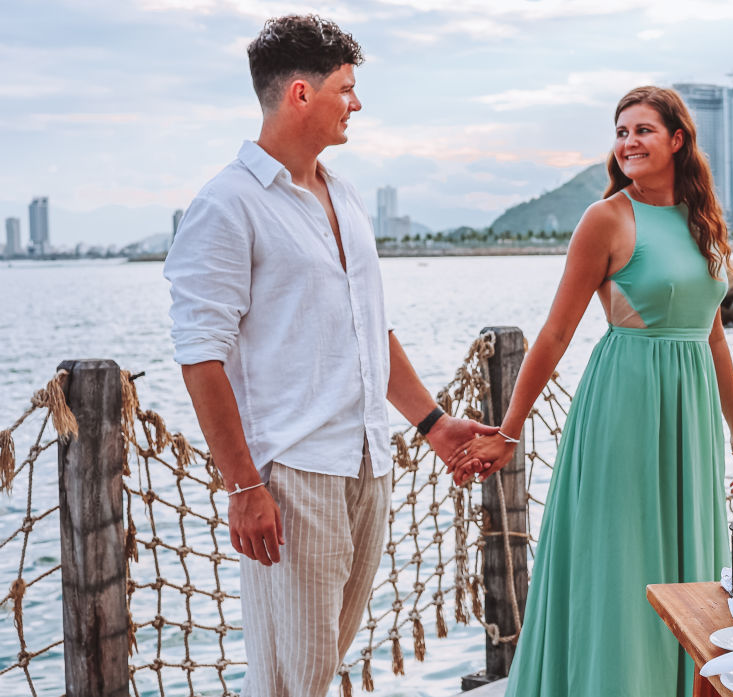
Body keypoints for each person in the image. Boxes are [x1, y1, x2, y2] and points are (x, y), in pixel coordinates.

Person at [164, 15, 496, 697]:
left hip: (366, 461)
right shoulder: (226, 206)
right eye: (346, 88)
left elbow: (370, 327)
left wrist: (433, 424)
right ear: (299, 94)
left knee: (315, 668)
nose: (358, 103)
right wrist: (243, 485)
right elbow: (201, 356)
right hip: (291, 471)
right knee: (290, 677)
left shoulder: (344, 196)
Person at [446, 86, 733, 696]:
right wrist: (509, 430)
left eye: (643, 129)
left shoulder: (706, 223)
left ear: (677, 140)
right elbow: (556, 333)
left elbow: (714, 338)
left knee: (689, 561)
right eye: (621, 131)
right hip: (626, 405)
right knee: (624, 556)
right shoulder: (608, 218)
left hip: (689, 412)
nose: (628, 142)